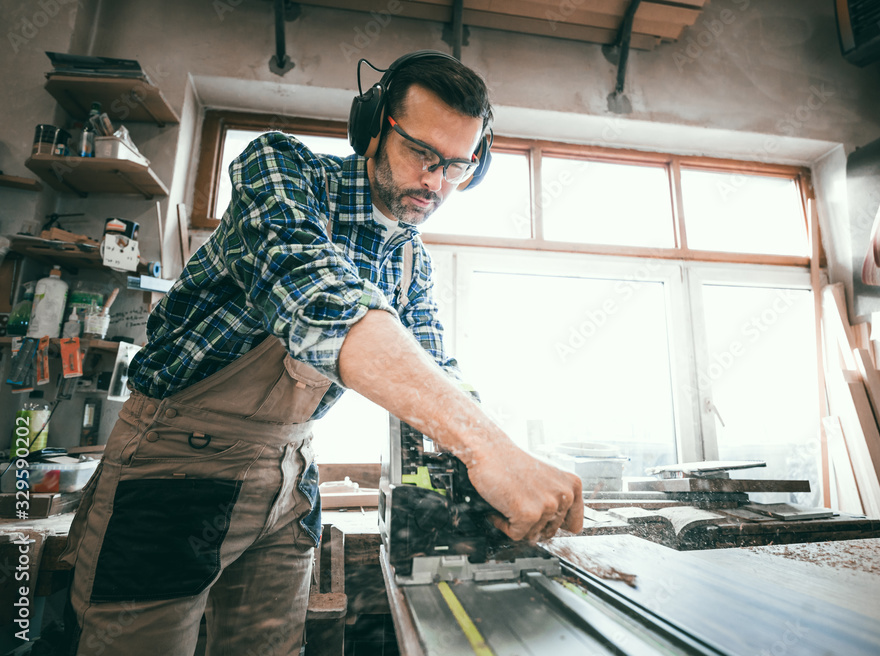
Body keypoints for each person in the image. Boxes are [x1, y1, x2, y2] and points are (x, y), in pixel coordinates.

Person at [60, 50, 584, 655]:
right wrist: (487, 448)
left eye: (458, 167)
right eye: (422, 154)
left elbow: (440, 374)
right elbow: (317, 299)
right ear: (375, 124)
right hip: (175, 465)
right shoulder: (282, 170)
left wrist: (498, 463)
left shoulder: (410, 259)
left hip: (290, 476)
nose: (436, 182)